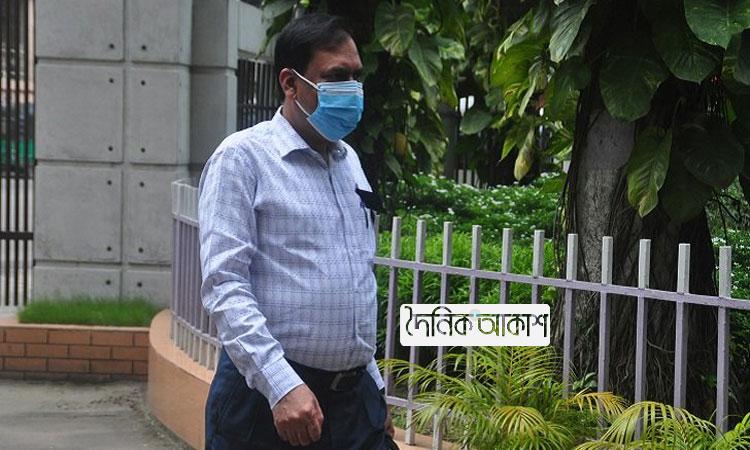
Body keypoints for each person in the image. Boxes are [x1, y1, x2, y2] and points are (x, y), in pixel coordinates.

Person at [198, 12, 394, 450]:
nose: (352, 90)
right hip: (269, 402)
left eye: (356, 76)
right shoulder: (243, 158)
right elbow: (225, 284)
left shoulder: (348, 161)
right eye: (336, 76)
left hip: (352, 402)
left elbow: (356, 278)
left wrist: (373, 389)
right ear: (290, 83)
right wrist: (281, 385)